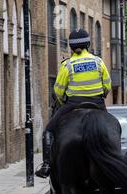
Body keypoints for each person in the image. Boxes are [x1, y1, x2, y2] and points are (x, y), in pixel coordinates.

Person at [35, 29, 112, 178]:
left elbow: (58, 90)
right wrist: (101, 96)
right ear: (88, 44)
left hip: (73, 104)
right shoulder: (98, 62)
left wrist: (64, 103)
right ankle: (114, 157)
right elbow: (107, 85)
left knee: (48, 131)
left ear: (70, 47)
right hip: (97, 103)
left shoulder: (67, 65)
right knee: (111, 129)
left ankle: (46, 165)